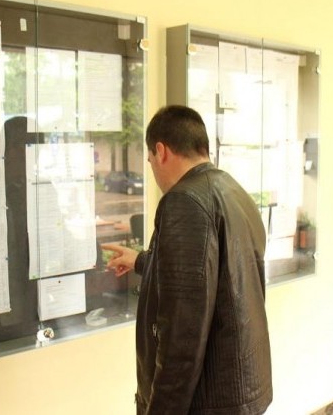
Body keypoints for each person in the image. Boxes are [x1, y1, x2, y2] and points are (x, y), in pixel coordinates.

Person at [102, 105, 272, 414]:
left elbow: (183, 330)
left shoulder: (185, 200)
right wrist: (141, 261)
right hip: (243, 390)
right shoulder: (234, 192)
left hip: (208, 401)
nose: (153, 170)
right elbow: (212, 276)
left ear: (161, 151)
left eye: (150, 161)